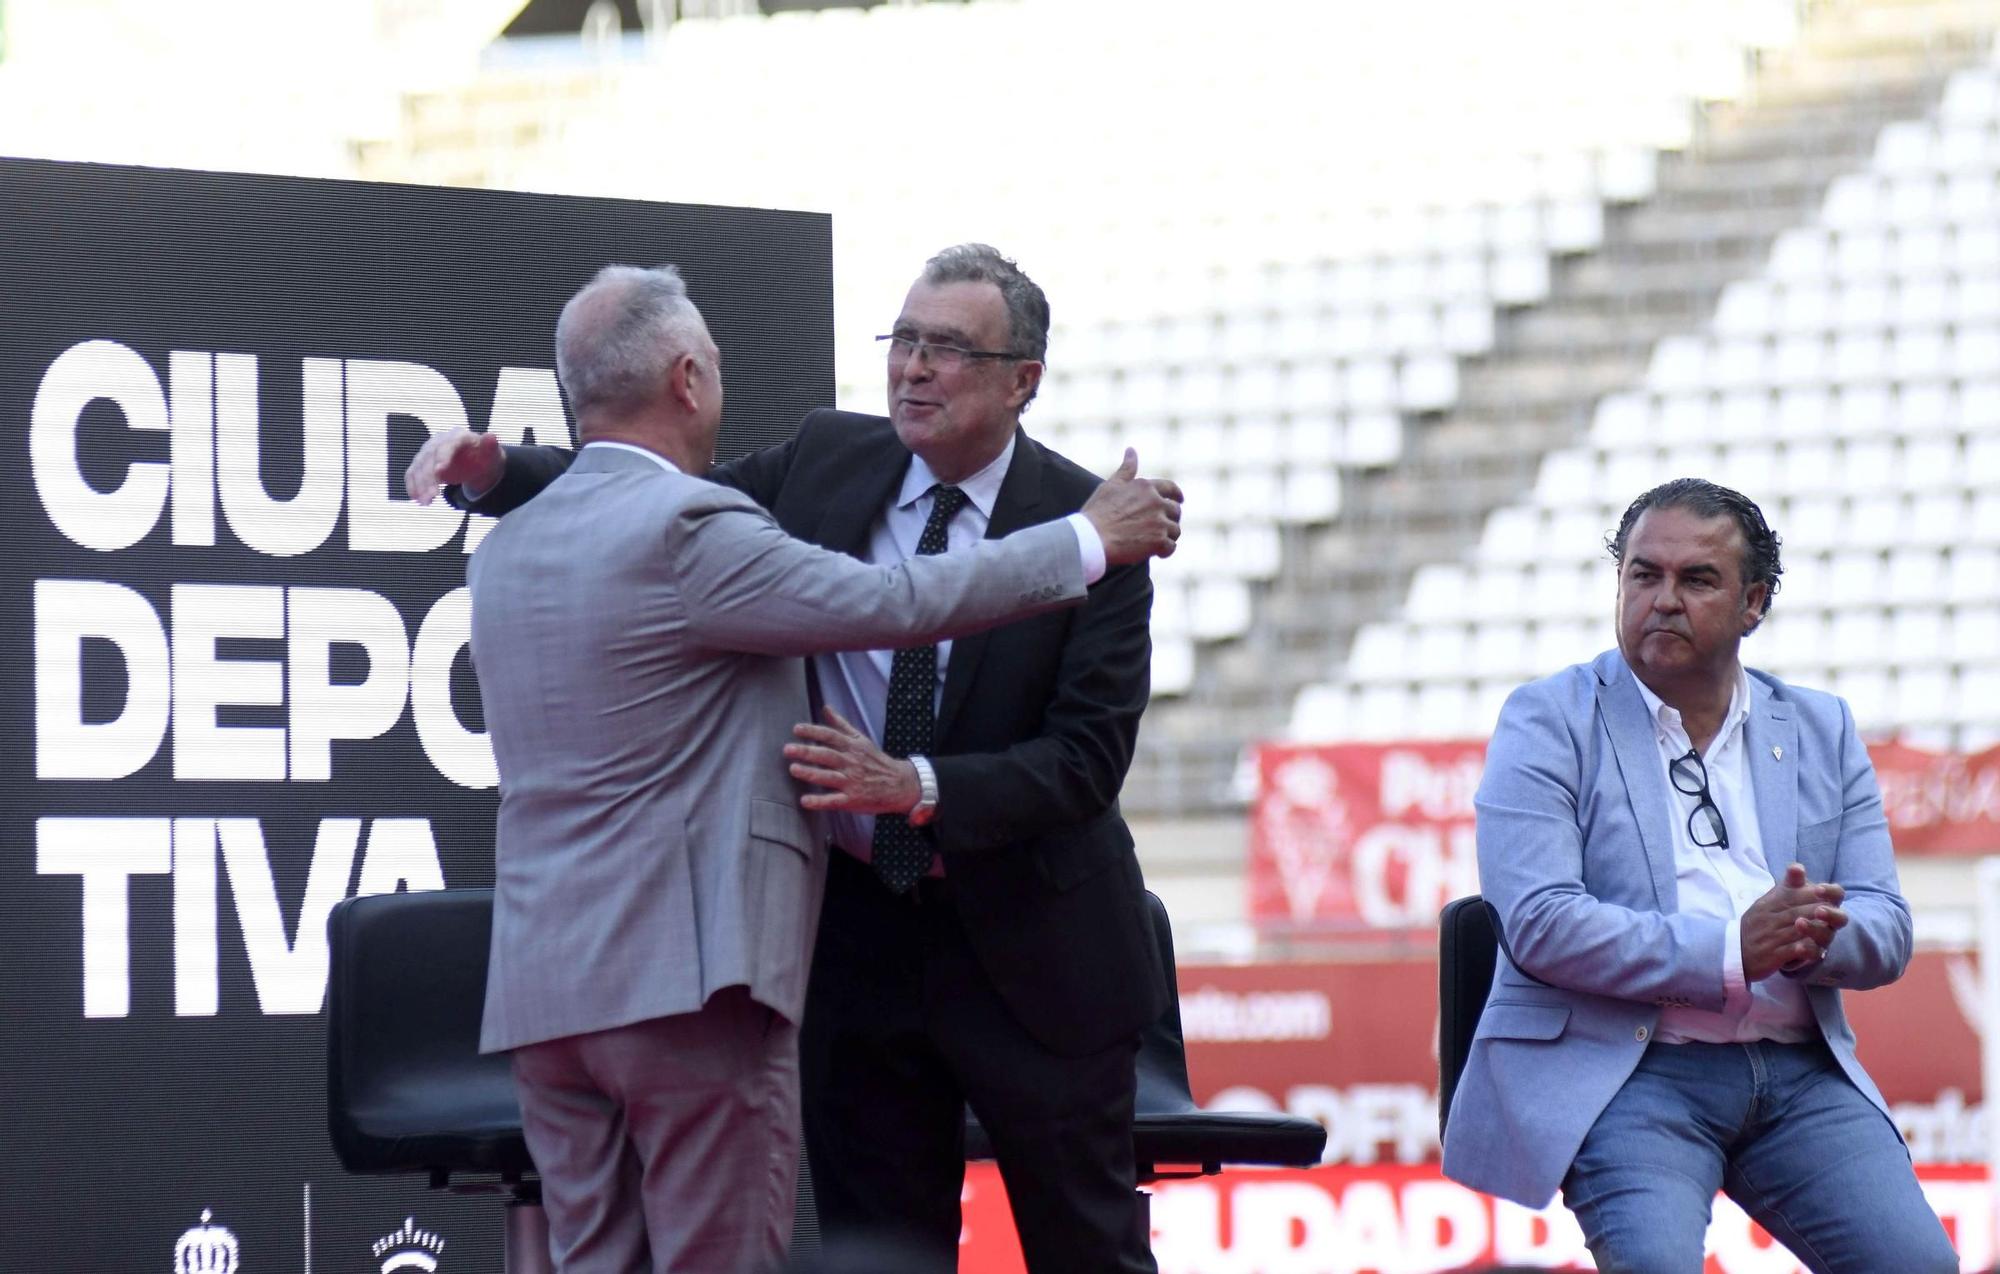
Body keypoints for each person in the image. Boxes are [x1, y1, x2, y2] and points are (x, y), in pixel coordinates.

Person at [412, 243, 1169, 1272]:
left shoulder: (1092, 526)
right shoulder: (825, 459)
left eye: (945, 347)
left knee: (1089, 1254)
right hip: (850, 945)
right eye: (902, 338)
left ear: (1019, 378)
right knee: (876, 1255)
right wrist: (505, 473)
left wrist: (920, 788)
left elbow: (1083, 762)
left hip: (1031, 953)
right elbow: (657, 496)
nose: (910, 366)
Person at [1441, 478, 1956, 1272]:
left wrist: (1809, 939)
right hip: (1632, 1073)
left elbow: (1887, 924)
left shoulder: (1822, 726)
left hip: (1797, 1074)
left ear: (1754, 605)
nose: (1664, 600)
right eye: (1644, 575)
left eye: (1697, 579)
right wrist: (1730, 949)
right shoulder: (1546, 719)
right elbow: (1540, 921)